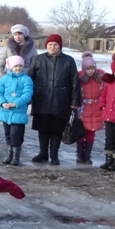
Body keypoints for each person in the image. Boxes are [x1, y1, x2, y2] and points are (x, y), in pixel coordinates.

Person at [28, 34, 81, 165]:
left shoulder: (68, 61)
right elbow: (29, 80)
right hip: (42, 99)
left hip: (61, 99)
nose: (52, 47)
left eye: (55, 45)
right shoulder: (38, 59)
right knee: (43, 128)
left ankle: (54, 155)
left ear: (60, 46)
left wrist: (75, 101)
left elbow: (75, 82)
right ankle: (43, 153)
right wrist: (29, 97)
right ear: (46, 45)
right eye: (50, 44)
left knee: (57, 129)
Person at [0, 55, 33, 166]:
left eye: (20, 66)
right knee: (8, 134)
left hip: (18, 112)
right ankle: (9, 154)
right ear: (10, 67)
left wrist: (16, 103)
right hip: (5, 112)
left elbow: (27, 94)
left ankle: (16, 156)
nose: (18, 68)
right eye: (15, 66)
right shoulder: (4, 79)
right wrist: (2, 102)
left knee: (16, 134)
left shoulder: (26, 79)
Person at [76, 52, 104, 164]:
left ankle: (87, 154)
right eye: (88, 69)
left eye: (92, 68)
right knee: (80, 132)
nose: (90, 71)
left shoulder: (100, 80)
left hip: (95, 109)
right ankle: (79, 154)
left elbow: (104, 93)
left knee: (91, 132)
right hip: (83, 109)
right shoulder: (80, 80)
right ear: (84, 69)